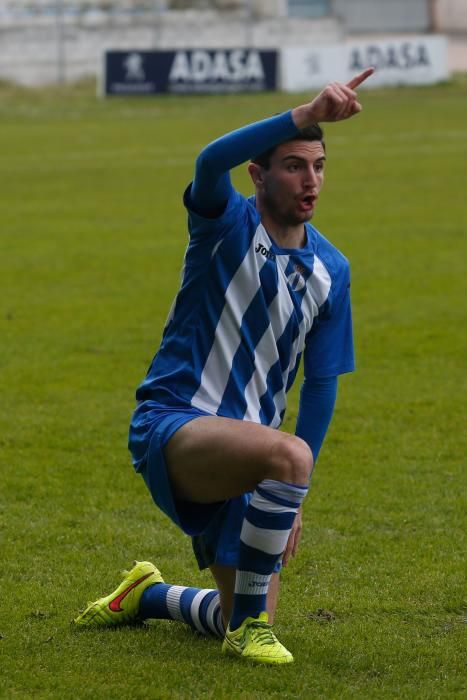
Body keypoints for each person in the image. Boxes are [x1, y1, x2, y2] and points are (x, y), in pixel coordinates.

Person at [74, 67, 374, 665]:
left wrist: (294, 495)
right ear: (257, 175)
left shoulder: (331, 271)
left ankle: (149, 595)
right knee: (288, 456)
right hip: (176, 425)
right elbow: (210, 161)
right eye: (294, 165)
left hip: (252, 459)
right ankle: (248, 630)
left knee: (241, 605)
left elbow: (320, 387)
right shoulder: (225, 224)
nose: (310, 180)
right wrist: (303, 113)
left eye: (317, 166)